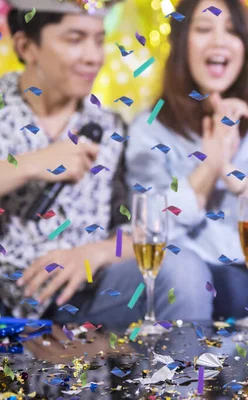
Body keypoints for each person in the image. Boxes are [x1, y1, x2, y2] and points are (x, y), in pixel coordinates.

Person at [0, 0, 208, 325]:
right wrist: (28, 164)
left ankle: (181, 377)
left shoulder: (111, 128)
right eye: (74, 39)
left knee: (183, 271)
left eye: (99, 40)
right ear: (27, 46)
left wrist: (92, 254)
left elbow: (137, 224)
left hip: (87, 295)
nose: (93, 57)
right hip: (8, 297)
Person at [126, 0, 248, 327]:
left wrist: (234, 177)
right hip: (198, 261)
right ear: (181, 44)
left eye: (231, 30)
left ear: (244, 45)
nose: (218, 40)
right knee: (228, 291)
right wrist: (211, 163)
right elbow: (149, 224)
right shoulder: (150, 126)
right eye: (203, 29)